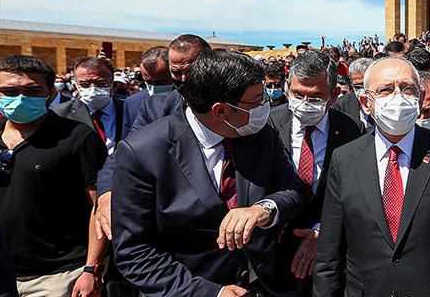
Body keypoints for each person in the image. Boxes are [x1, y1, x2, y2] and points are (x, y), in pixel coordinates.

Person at [110, 49, 305, 296]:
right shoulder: (143, 152)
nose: (265, 105)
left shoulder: (261, 132)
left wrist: (263, 209)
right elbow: (135, 252)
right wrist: (210, 293)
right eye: (257, 101)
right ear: (221, 111)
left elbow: (292, 189)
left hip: (266, 286)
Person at [313, 58, 430, 296]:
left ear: (419, 98)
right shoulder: (344, 160)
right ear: (366, 103)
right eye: (386, 90)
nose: (398, 97)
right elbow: (329, 255)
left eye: (407, 89)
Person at [0, 55, 107, 297]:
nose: (20, 98)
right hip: (2, 274)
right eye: (9, 91)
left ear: (49, 94)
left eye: (32, 91)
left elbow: (100, 207)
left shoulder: (78, 138)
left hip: (58, 275)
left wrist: (92, 268)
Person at [93, 34, 211, 249]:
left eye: (191, 70)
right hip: (170, 224)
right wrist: (107, 193)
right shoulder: (154, 109)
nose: (184, 79)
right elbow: (125, 152)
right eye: (177, 72)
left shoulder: (240, 105)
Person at [264, 50, 363, 295]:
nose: (306, 104)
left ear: (334, 95)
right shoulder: (267, 125)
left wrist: (323, 232)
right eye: (298, 95)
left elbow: (354, 194)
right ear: (287, 88)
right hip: (273, 248)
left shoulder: (352, 129)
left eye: (316, 97)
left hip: (327, 252)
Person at [52, 57, 124, 155]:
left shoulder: (131, 109)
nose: (93, 89)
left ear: (114, 86)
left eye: (101, 83)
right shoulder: (58, 115)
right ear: (75, 87)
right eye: (85, 84)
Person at [121, 47, 171, 141]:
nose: (153, 88)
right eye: (148, 82)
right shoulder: (132, 102)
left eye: (161, 83)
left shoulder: (190, 102)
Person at [331, 57, 372, 129]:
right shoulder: (340, 105)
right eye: (357, 87)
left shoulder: (386, 102)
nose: (362, 90)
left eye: (365, 85)